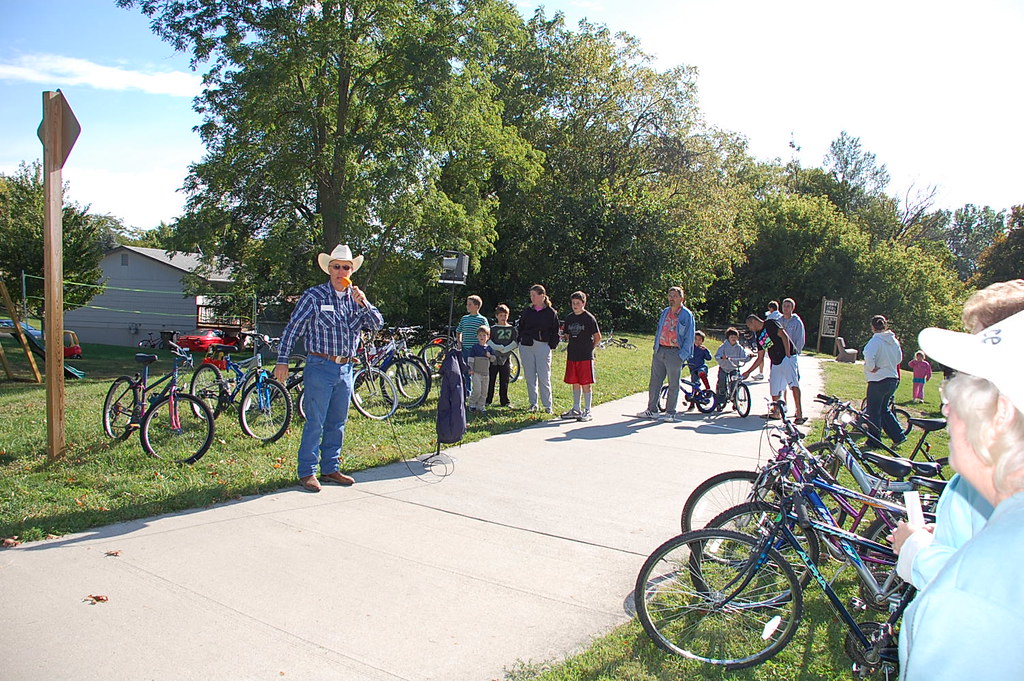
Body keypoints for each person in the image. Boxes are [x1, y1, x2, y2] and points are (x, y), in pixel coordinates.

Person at [897, 309, 1024, 680]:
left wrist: (922, 554)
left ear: (1001, 414)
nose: (945, 411)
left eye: (954, 393)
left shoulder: (968, 601)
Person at [891, 279, 1024, 590]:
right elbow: (980, 546)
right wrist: (945, 537)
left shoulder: (998, 477)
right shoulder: (989, 470)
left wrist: (917, 550)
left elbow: (986, 590)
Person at [273, 244, 384, 493]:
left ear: (351, 270)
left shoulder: (355, 299)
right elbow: (293, 328)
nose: (340, 271)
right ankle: (307, 471)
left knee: (338, 421)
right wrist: (282, 359)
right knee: (316, 420)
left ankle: (331, 468)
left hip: (346, 369)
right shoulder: (314, 296)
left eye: (345, 267)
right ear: (328, 269)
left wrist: (364, 302)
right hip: (320, 365)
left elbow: (377, 323)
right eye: (336, 267)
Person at [640, 286, 694, 421]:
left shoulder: (687, 315)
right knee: (655, 382)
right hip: (661, 350)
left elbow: (689, 336)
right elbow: (659, 329)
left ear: (682, 298)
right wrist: (655, 347)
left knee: (673, 384)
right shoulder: (665, 312)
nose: (672, 299)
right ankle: (652, 410)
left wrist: (682, 355)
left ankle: (670, 412)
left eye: (675, 296)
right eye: (670, 296)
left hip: (675, 352)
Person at [741, 314, 799, 421]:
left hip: (787, 357)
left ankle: (799, 413)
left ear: (753, 321)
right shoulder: (759, 336)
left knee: (793, 384)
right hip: (776, 362)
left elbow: (784, 336)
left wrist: (787, 353)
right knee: (774, 388)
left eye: (749, 326)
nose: (750, 328)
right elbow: (760, 357)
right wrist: (748, 372)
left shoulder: (770, 323)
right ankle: (776, 412)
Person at [517, 284, 560, 413]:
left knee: (544, 376)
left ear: (542, 296)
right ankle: (533, 403)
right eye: (531, 295)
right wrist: (521, 340)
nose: (532, 298)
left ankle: (548, 406)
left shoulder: (551, 313)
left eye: (534, 295)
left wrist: (551, 345)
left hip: (543, 346)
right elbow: (521, 327)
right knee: (530, 376)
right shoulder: (527, 311)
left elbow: (555, 331)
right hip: (527, 346)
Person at [862, 314, 905, 445]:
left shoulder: (875, 341)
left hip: (878, 379)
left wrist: (871, 367)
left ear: (872, 327)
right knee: (883, 409)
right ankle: (898, 436)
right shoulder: (894, 341)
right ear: (885, 325)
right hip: (892, 378)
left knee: (873, 410)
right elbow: (899, 359)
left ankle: (874, 439)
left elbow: (869, 356)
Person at [560, 291, 601, 422]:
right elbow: (566, 334)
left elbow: (597, 337)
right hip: (573, 354)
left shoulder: (589, 318)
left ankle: (587, 410)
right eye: (573, 303)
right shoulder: (569, 318)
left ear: (583, 303)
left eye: (578, 303)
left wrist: (590, 348)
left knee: (586, 383)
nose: (575, 305)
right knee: (575, 382)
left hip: (585, 356)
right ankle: (576, 408)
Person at [779, 298, 806, 422]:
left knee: (794, 383)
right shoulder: (778, 321)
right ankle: (782, 408)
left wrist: (793, 354)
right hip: (779, 357)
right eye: (784, 306)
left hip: (791, 356)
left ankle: (798, 411)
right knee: (780, 384)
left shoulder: (797, 322)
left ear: (792, 308)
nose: (786, 308)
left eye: (788, 306)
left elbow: (800, 340)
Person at [456, 295, 488, 397]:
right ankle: (467, 391)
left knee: (477, 372)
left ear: (477, 306)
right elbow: (458, 331)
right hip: (466, 348)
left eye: (470, 304)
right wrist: (459, 342)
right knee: (466, 370)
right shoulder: (464, 319)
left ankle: (477, 391)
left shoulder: (482, 320)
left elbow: (487, 333)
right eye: (467, 304)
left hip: (477, 350)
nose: (467, 306)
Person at [486, 304, 517, 408]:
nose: (503, 317)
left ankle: (504, 401)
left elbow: (515, 341)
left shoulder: (512, 329)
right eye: (501, 315)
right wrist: (497, 347)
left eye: (505, 315)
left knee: (504, 380)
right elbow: (488, 340)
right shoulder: (493, 329)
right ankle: (488, 399)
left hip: (506, 358)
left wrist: (507, 348)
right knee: (491, 379)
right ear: (497, 316)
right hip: (494, 358)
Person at [714, 327, 749, 410]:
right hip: (724, 367)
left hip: (734, 367)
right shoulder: (723, 346)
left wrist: (749, 356)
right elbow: (717, 356)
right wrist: (722, 357)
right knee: (722, 383)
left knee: (735, 383)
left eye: (735, 337)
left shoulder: (739, 347)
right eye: (731, 337)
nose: (733, 339)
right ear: (728, 338)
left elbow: (744, 357)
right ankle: (720, 401)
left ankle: (735, 400)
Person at [466, 326, 494, 413]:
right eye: (480, 335)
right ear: (477, 337)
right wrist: (470, 368)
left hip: (486, 373)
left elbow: (494, 359)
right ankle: (472, 404)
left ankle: (480, 406)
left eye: (484, 335)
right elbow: (470, 359)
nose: (482, 337)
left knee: (484, 392)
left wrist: (490, 356)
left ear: (488, 337)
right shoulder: (475, 348)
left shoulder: (489, 348)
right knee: (477, 390)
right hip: (476, 373)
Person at [684, 331, 713, 411]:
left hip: (701, 367)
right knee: (694, 385)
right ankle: (692, 403)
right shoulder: (690, 349)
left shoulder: (702, 349)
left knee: (701, 373)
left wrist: (706, 350)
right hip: (693, 369)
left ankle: (708, 389)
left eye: (699, 339)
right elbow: (685, 356)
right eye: (695, 339)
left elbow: (709, 358)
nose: (697, 341)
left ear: (702, 341)